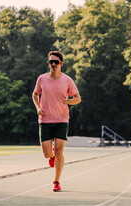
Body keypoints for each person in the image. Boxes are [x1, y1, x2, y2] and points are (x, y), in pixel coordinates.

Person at [32, 51, 81, 191]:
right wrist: (37, 107)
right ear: (49, 63)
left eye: (56, 62)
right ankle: (51, 154)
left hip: (61, 120)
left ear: (61, 64)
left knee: (60, 152)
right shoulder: (41, 79)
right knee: (47, 154)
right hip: (45, 120)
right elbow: (35, 94)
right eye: (51, 62)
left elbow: (78, 98)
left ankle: (56, 181)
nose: (53, 64)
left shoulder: (67, 80)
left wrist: (69, 101)